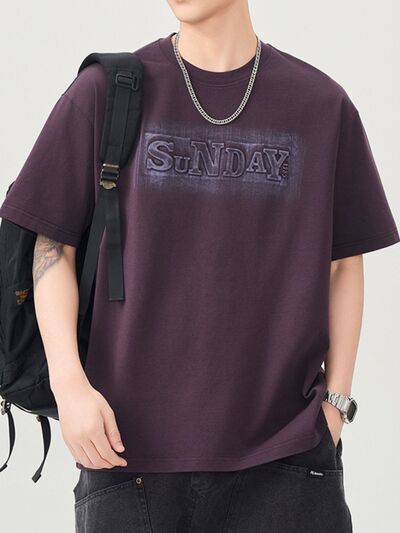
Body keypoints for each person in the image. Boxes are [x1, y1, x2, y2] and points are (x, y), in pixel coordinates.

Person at [0, 1, 399, 531]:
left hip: (288, 462)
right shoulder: (106, 92)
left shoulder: (321, 106)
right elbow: (53, 244)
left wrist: (336, 406)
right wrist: (69, 387)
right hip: (127, 456)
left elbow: (345, 262)